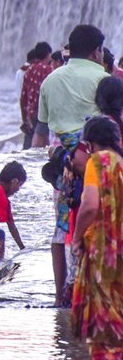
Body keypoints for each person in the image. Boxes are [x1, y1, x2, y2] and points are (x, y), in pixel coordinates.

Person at [34, 24, 109, 302]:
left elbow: (43, 124)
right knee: (95, 218)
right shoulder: (103, 78)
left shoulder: (51, 80)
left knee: (61, 223)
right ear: (95, 51)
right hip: (95, 157)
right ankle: (89, 289)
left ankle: (60, 294)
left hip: (61, 160)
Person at [72, 116, 123, 360]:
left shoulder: (99, 161)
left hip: (104, 255)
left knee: (106, 324)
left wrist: (77, 239)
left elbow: (90, 205)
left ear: (90, 143)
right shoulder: (121, 161)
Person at [20, 41, 54, 149]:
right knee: (38, 141)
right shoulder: (49, 70)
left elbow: (23, 96)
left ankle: (40, 162)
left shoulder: (29, 70)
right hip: (44, 112)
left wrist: (24, 117)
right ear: (48, 55)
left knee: (43, 140)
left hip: (31, 113)